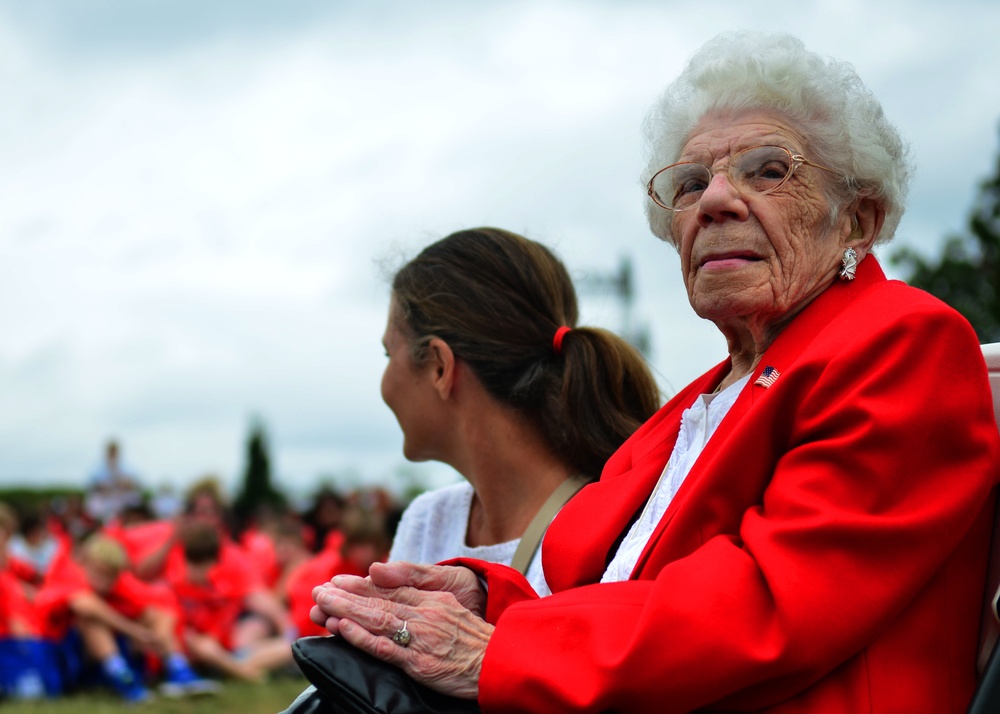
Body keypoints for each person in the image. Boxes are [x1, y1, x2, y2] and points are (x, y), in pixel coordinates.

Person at [308, 32, 1000, 713]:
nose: (715, 202)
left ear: (858, 217)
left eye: (767, 170)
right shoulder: (703, 398)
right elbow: (599, 583)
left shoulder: (903, 340)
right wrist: (488, 595)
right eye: (692, 184)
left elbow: (772, 601)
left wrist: (499, 651)